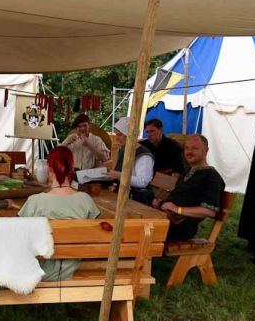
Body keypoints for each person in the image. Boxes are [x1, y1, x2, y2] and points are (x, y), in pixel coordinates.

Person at [17, 146, 100, 281]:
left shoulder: (34, 201)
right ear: (72, 169)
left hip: (39, 269)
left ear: (49, 170)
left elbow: (20, 237)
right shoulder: (85, 200)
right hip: (71, 267)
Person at [152, 134, 225, 241]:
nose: (189, 152)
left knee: (135, 229)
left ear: (206, 150)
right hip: (166, 218)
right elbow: (179, 197)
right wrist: (161, 203)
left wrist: (178, 209)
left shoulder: (212, 177)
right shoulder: (187, 172)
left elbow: (209, 211)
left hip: (180, 228)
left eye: (194, 148)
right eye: (187, 148)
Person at [107, 117, 155, 205]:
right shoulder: (124, 149)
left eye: (119, 135)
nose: (117, 138)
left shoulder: (143, 156)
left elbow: (143, 182)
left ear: (129, 135)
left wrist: (119, 175)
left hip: (136, 199)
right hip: (122, 194)